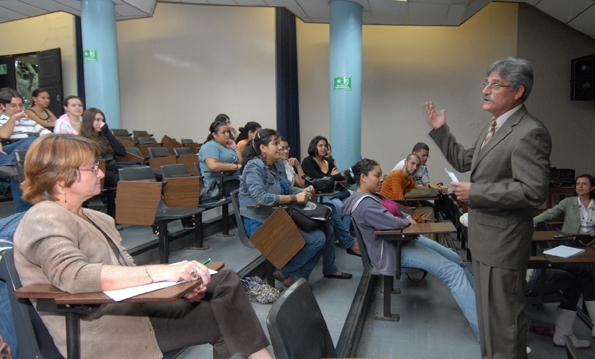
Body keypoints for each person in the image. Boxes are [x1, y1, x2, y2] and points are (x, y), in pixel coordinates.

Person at [12, 134, 272, 359]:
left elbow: (128, 272)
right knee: (225, 319)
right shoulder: (44, 217)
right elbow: (74, 276)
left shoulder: (96, 218)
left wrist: (180, 286)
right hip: (102, 327)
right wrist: (163, 273)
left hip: (132, 309)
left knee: (223, 279)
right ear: (61, 178)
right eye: (92, 168)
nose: (101, 172)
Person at [425, 56, 552, 359]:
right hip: (485, 240)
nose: (486, 90)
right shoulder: (493, 127)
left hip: (504, 243)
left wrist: (476, 192)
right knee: (488, 320)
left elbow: (533, 191)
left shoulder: (530, 131)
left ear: (518, 91)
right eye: (486, 83)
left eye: (495, 85)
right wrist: (441, 130)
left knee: (505, 323)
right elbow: (464, 161)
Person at [341, 158, 479, 340]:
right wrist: (407, 221)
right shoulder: (365, 204)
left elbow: (397, 209)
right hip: (394, 248)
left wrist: (406, 217)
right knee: (453, 272)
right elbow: (391, 222)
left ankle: (480, 302)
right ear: (363, 177)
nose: (382, 179)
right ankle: (486, 333)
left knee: (456, 260)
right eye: (377, 175)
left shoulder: (372, 196)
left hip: (405, 240)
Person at [239, 129, 350, 287]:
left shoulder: (277, 164)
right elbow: (262, 198)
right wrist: (294, 198)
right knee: (317, 239)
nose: (280, 147)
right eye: (275, 144)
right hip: (260, 221)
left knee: (327, 229)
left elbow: (286, 187)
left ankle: (292, 275)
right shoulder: (254, 167)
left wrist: (303, 191)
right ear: (263, 148)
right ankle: (288, 273)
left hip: (279, 215)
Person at [529, 174, 595, 347]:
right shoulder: (569, 202)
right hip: (571, 245)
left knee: (581, 277)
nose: (580, 186)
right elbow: (550, 213)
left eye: (584, 184)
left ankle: (564, 335)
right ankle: (588, 323)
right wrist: (529, 222)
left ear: (592, 188)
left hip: (591, 246)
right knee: (586, 272)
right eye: (578, 184)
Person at [301, 136, 360, 256]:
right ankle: (340, 238)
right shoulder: (308, 161)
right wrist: (331, 177)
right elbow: (317, 180)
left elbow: (340, 176)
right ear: (314, 147)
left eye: (325, 145)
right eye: (320, 145)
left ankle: (342, 236)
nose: (324, 148)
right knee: (338, 206)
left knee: (351, 201)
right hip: (317, 194)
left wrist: (328, 178)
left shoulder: (328, 162)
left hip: (331, 192)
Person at [0, 88, 51, 212]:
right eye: (13, 106)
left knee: (21, 166)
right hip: (5, 152)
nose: (18, 109)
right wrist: (13, 119)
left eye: (21, 105)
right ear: (2, 106)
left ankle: (12, 167)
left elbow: (48, 136)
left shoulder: (29, 122)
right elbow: (3, 135)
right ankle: (13, 165)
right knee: (30, 142)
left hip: (26, 158)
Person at [79, 107, 131, 187]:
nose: (101, 123)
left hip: (114, 168)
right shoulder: (84, 139)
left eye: (103, 120)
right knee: (129, 177)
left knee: (142, 172)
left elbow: (121, 152)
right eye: (98, 120)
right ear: (89, 121)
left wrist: (107, 132)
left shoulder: (104, 136)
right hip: (101, 171)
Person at [380, 153, 435, 222]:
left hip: (399, 206)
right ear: (405, 162)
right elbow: (400, 203)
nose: (415, 168)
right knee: (429, 211)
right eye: (412, 163)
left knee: (430, 209)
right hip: (390, 209)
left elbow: (414, 198)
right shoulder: (396, 175)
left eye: (417, 165)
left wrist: (420, 206)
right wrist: (418, 218)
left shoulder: (409, 178)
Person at [198, 120, 242, 196]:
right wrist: (235, 166)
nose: (227, 135)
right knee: (249, 189)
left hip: (233, 179)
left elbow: (241, 162)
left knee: (257, 185)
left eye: (228, 132)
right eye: (223, 132)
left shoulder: (227, 146)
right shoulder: (210, 146)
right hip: (218, 184)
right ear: (214, 134)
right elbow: (213, 166)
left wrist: (235, 148)